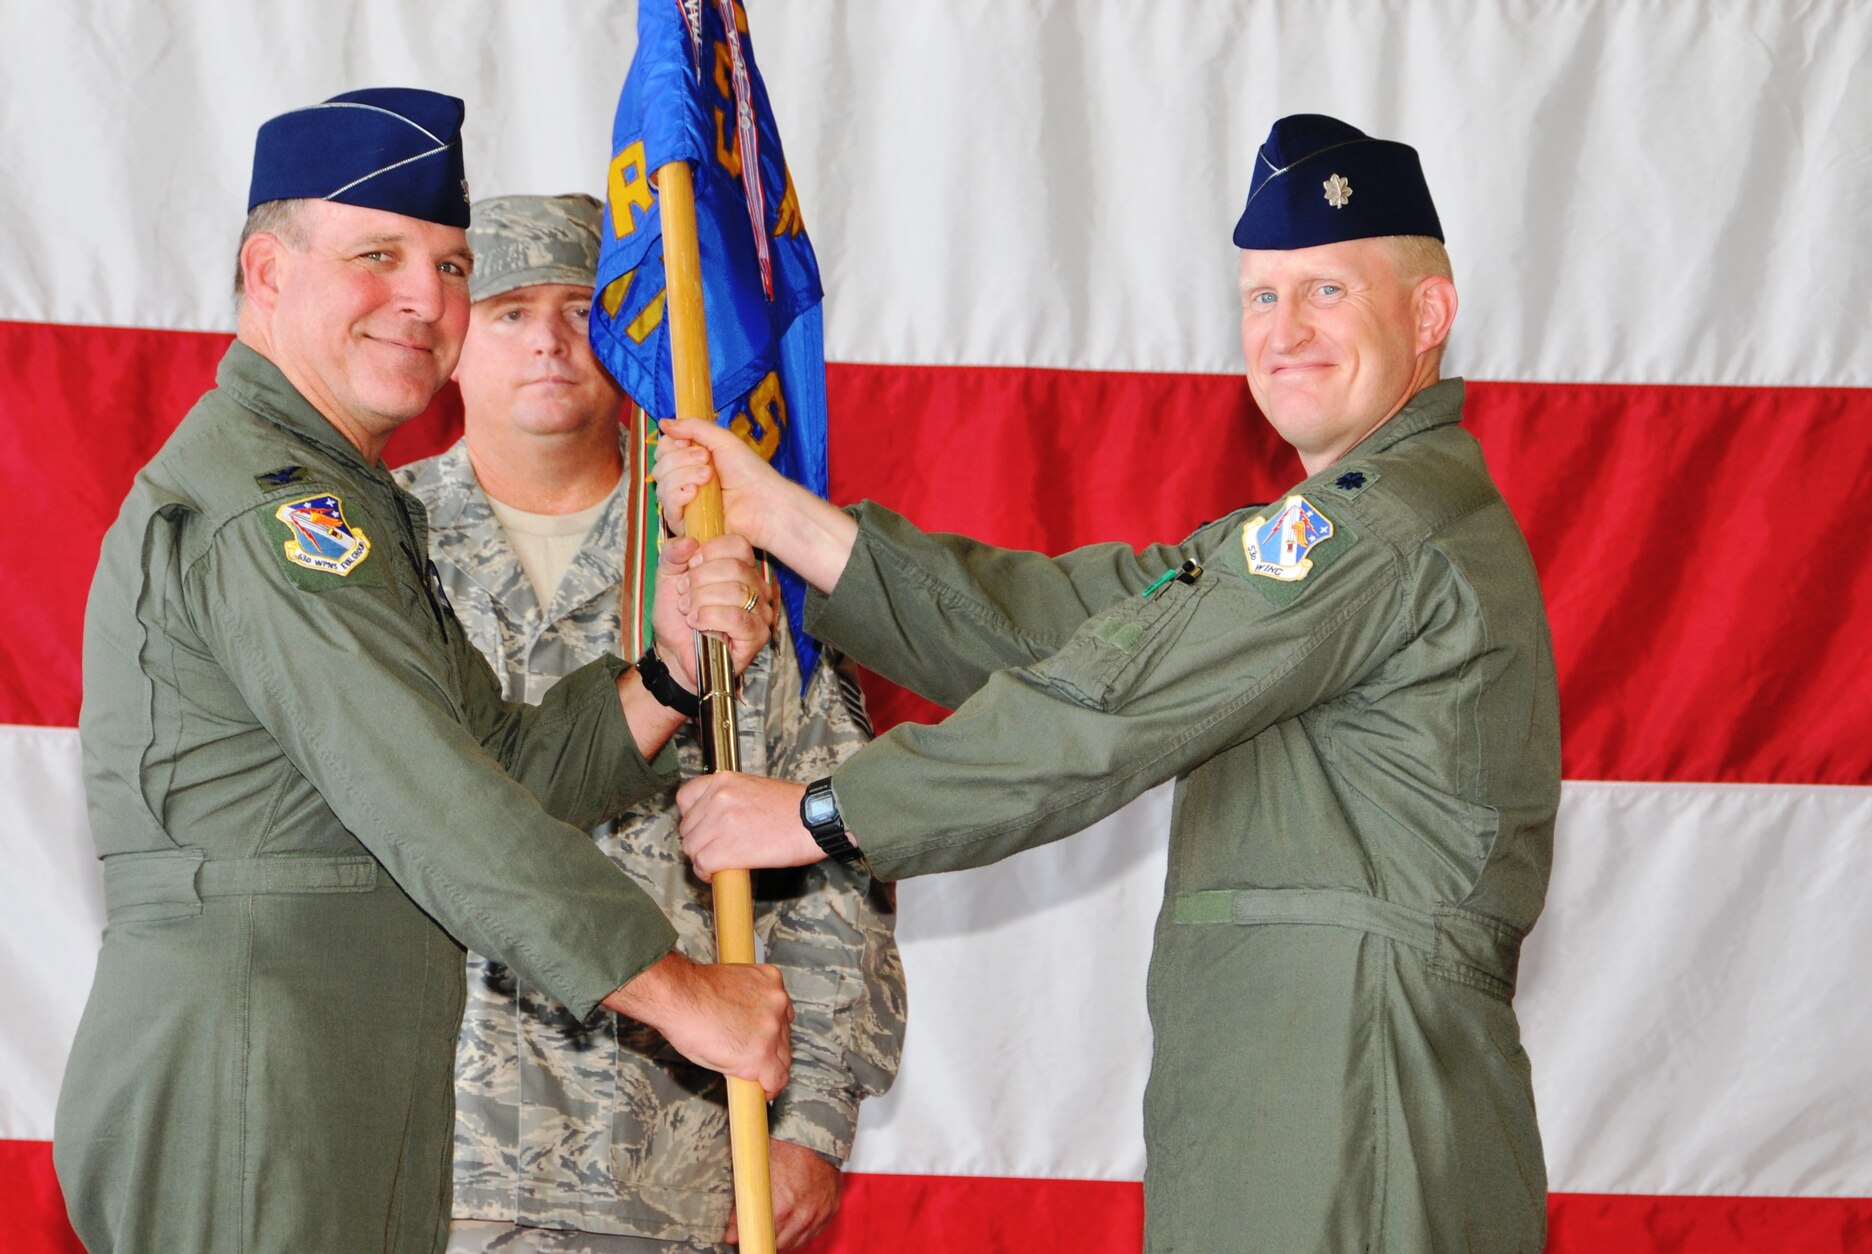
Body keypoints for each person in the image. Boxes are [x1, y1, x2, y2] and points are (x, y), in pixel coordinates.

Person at [659, 114, 1560, 1253]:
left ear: (1427, 315)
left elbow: (1108, 710)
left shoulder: (1375, 532)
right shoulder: (1328, 531)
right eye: (1259, 297)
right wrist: (777, 517)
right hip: (1306, 1068)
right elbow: (1066, 632)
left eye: (1326, 291)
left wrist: (820, 816)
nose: (1283, 331)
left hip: (1347, 1080)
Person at [55, 89, 792, 1254]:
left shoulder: (348, 498)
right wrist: (677, 993)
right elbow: (429, 802)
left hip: (336, 1072)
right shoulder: (276, 513)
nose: (425, 302)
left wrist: (664, 679)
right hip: (257, 1075)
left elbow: (492, 765)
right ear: (266, 273)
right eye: (377, 257)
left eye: (451, 268)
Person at [395, 193, 904, 1254]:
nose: (548, 340)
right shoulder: (373, 555)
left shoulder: (728, 562)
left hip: (664, 1158)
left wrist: (809, 1117)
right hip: (410, 1156)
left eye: (583, 307)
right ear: (448, 343)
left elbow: (831, 842)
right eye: (506, 311)